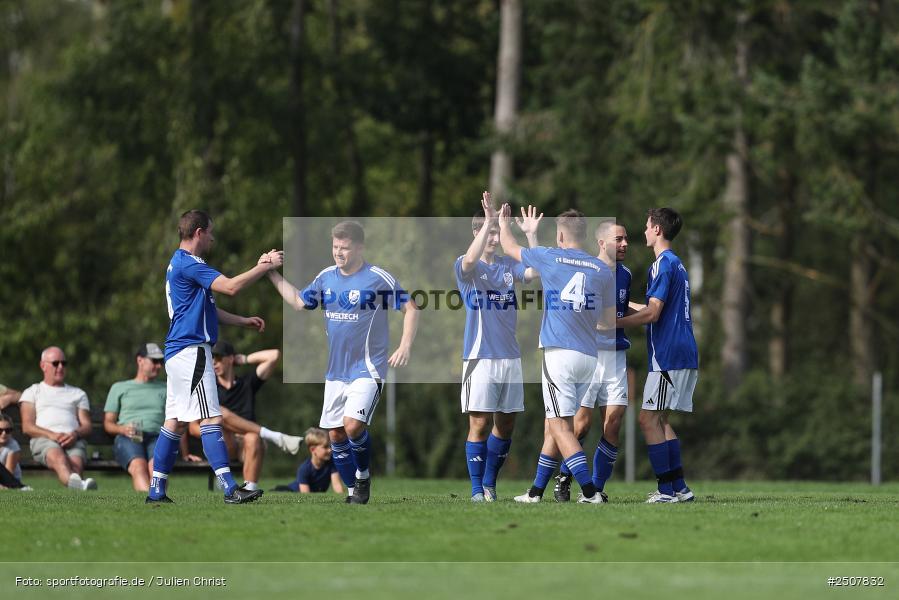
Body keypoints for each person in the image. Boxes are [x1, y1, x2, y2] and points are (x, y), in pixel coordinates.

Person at [264, 220, 420, 504]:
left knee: (352, 426)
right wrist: (271, 273)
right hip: (336, 371)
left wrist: (405, 346)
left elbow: (410, 308)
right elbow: (299, 302)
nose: (338, 253)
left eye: (345, 248)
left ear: (359, 248)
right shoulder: (326, 277)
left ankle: (362, 476)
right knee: (335, 435)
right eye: (335, 247)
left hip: (368, 367)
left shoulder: (377, 278)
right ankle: (352, 491)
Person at [147, 209, 282, 505]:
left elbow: (208, 310)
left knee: (175, 422)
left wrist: (242, 320)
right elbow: (232, 287)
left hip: (177, 351)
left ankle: (156, 489)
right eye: (210, 232)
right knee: (211, 418)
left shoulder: (177, 263)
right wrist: (264, 266)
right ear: (198, 233)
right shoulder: (191, 263)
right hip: (192, 350)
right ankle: (230, 488)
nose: (213, 237)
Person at [499, 206, 615, 504]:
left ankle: (590, 492)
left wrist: (499, 222)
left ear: (560, 234)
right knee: (555, 422)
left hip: (559, 354)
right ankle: (536, 492)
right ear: (586, 235)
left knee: (560, 427)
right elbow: (607, 320)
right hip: (589, 357)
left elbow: (509, 247)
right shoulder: (602, 269)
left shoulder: (550, 256)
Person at [456, 192, 539, 502]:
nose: (493, 237)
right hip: (480, 356)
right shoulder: (468, 267)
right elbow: (467, 261)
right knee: (479, 421)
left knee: (506, 423)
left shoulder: (507, 265)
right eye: (488, 232)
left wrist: (530, 236)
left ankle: (490, 484)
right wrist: (491, 219)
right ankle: (477, 490)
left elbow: (534, 271)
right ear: (477, 234)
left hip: (510, 356)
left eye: (496, 232)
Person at [616, 208, 698, 503]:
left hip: (668, 354)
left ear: (658, 230)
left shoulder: (661, 265)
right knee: (661, 420)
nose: (644, 232)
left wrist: (613, 322)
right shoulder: (677, 264)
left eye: (647, 226)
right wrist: (624, 308)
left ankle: (666, 491)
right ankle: (680, 488)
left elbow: (653, 313)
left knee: (647, 420)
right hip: (684, 351)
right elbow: (653, 307)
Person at [551, 220, 633, 502]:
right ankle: (564, 475)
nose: (624, 244)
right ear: (601, 243)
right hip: (590, 354)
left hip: (616, 356)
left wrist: (650, 309)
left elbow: (620, 307)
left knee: (614, 422)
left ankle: (595, 489)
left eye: (626, 240)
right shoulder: (587, 269)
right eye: (618, 239)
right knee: (582, 424)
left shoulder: (626, 274)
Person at [186, 340, 303, 492]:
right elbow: (193, 427)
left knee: (253, 438)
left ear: (231, 359)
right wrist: (218, 430)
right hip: (222, 441)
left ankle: (249, 490)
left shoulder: (246, 383)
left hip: (246, 444)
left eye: (219, 358)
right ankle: (273, 436)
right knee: (220, 412)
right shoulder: (209, 387)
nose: (214, 362)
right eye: (212, 358)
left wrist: (245, 359)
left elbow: (274, 355)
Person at [105, 343, 201, 492]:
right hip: (128, 437)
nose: (159, 366)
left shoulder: (167, 388)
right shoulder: (120, 387)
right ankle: (149, 504)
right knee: (139, 466)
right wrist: (122, 429)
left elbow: (178, 422)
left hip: (158, 436)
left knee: (157, 467)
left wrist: (185, 453)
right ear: (140, 360)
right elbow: (108, 423)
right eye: (154, 361)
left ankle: (157, 499)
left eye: (161, 362)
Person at [19, 346, 97, 491]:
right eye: (55, 363)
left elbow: (86, 425)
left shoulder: (78, 393)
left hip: (73, 439)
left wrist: (75, 434)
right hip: (44, 439)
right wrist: (53, 435)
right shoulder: (32, 392)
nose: (60, 367)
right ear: (43, 366)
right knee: (59, 458)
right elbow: (27, 427)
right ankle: (81, 486)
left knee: (76, 465)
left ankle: (78, 490)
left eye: (64, 363)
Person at [273, 428, 344, 494]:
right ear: (313, 450)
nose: (330, 450)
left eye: (330, 446)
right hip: (291, 490)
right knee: (278, 491)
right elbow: (306, 495)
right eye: (325, 447)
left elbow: (337, 485)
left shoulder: (331, 462)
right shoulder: (304, 469)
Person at [0, 412, 31, 490]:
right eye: (0, 430)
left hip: (10, 481)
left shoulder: (13, 446)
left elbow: (8, 474)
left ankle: (21, 487)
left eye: (8, 430)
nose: (4, 433)